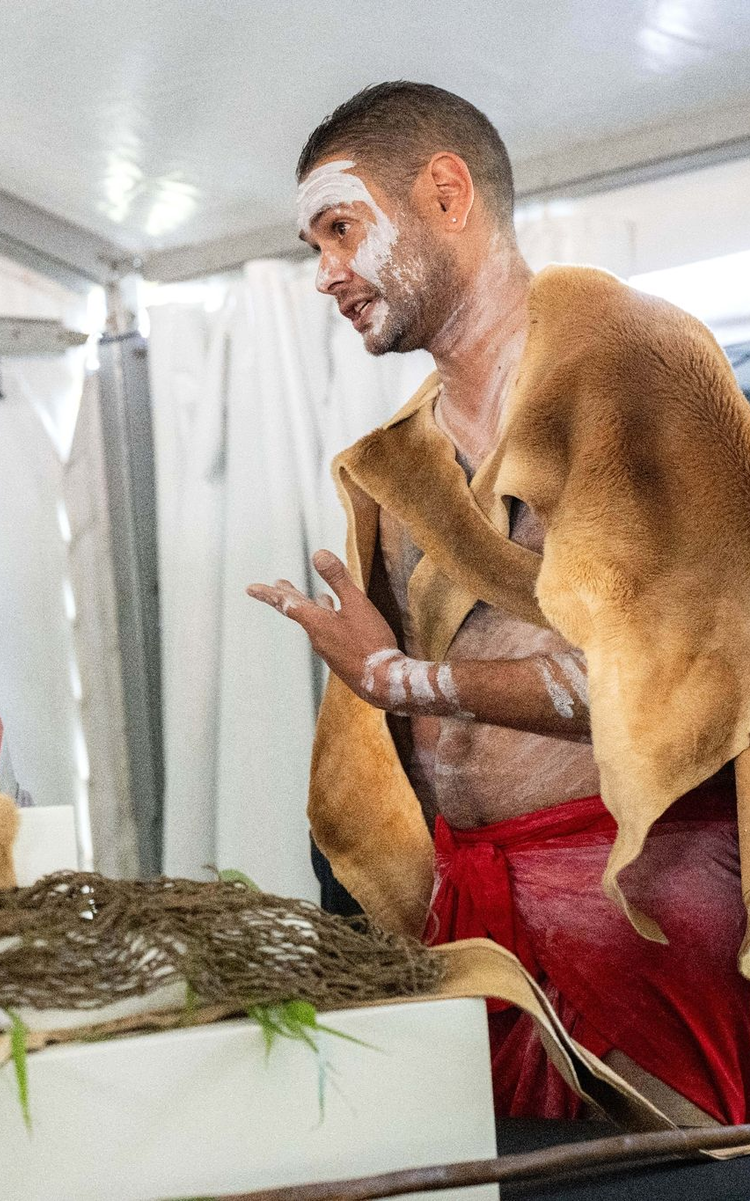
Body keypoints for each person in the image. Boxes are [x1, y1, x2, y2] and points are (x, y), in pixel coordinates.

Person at [249, 82, 750, 1125]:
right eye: (314, 246)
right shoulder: (399, 457)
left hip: (643, 902)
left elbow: (671, 673)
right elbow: (401, 735)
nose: (326, 273)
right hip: (473, 918)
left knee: (667, 1182)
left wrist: (405, 679)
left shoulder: (638, 366)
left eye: (340, 229)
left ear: (446, 194)